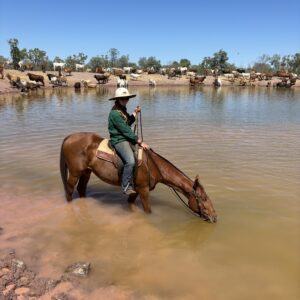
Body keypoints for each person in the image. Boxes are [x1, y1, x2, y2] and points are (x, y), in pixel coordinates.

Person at [108, 87, 150, 195]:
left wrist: (135, 113)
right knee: (130, 161)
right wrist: (139, 141)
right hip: (119, 139)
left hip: (125, 137)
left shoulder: (122, 109)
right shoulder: (115, 114)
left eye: (127, 98)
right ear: (117, 99)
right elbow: (125, 130)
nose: (125, 100)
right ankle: (126, 185)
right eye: (123, 98)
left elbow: (127, 123)